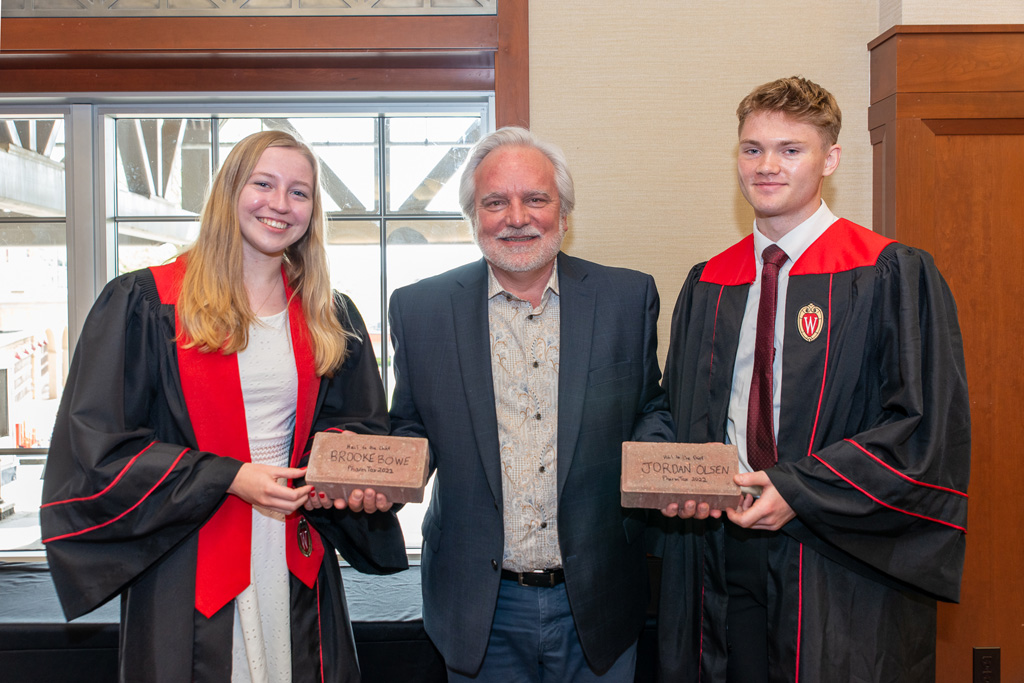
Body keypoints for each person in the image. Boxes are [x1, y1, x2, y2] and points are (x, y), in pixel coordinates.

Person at [41, 130, 407, 683]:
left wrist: (351, 471)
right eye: (264, 184)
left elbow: (355, 427)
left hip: (293, 547)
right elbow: (99, 449)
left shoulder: (328, 313)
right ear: (230, 191)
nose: (280, 204)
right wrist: (229, 477)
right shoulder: (147, 303)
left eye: (300, 192)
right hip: (186, 555)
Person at [655, 77, 970, 682]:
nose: (766, 166)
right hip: (722, 558)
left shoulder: (887, 273)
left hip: (839, 557)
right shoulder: (709, 283)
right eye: (752, 149)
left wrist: (798, 492)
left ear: (830, 159)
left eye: (790, 149)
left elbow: (923, 432)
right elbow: (678, 408)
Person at [388, 126, 674, 682]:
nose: (516, 217)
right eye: (495, 202)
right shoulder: (419, 310)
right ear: (474, 216)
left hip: (597, 596)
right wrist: (375, 473)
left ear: (563, 214)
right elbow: (411, 428)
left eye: (535, 199)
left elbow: (651, 409)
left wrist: (659, 468)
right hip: (479, 604)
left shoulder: (626, 298)